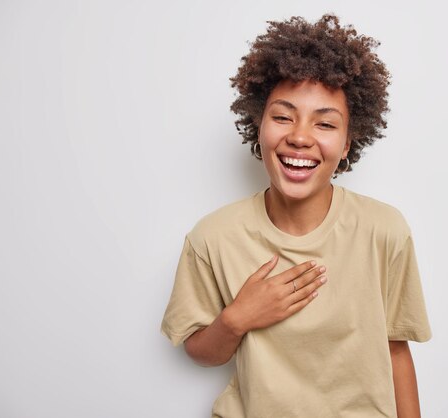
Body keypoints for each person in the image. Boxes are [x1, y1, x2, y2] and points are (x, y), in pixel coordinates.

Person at [161, 14, 432, 418]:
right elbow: (200, 351)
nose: (300, 136)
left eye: (324, 123)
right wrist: (237, 319)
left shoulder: (384, 231)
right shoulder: (212, 238)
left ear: (346, 145)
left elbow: (395, 350)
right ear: (259, 126)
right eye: (283, 116)